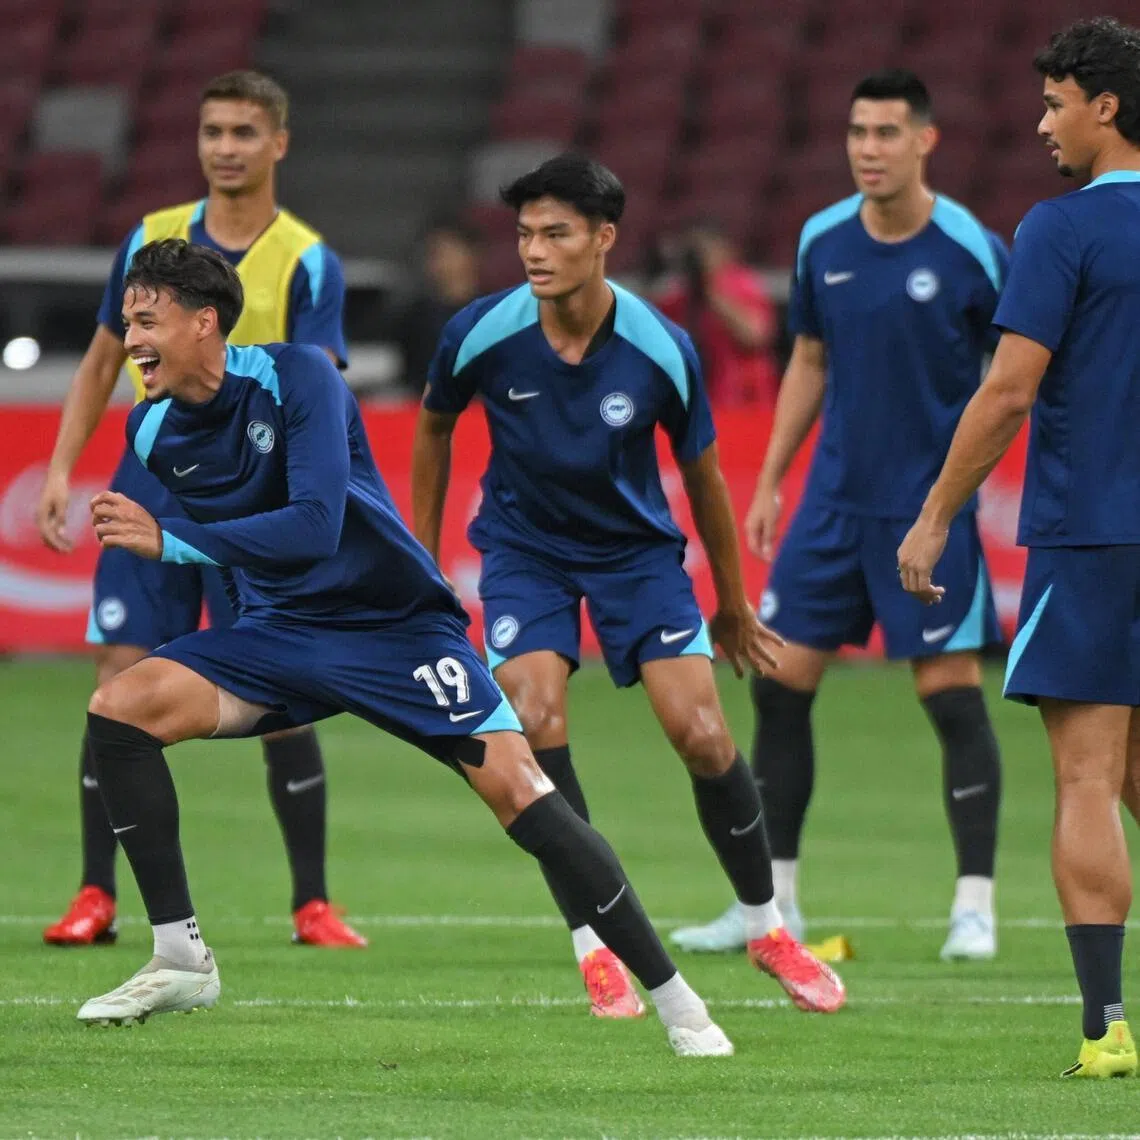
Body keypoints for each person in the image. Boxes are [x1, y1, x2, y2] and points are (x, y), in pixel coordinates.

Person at [75, 237, 734, 1059]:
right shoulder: (152, 432)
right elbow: (229, 546)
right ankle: (179, 956)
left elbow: (313, 527)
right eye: (129, 322)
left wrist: (170, 540)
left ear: (204, 322)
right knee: (120, 710)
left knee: (523, 796)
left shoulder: (298, 375)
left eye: (148, 321)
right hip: (282, 635)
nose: (131, 339)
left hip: (394, 628)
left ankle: (680, 1006)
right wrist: (206, 611)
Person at [410, 152, 845, 1019]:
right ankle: (594, 942)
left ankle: (765, 925)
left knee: (702, 732)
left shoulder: (661, 349)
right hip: (525, 550)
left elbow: (709, 478)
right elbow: (432, 433)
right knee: (532, 720)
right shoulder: (480, 333)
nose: (535, 250)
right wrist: (421, 571)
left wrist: (729, 601)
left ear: (603, 238)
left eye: (556, 234)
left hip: (635, 557)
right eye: (526, 233)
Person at [672, 70, 1007, 962]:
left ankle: (974, 906)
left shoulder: (974, 249)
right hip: (829, 506)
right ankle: (770, 909)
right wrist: (775, 478)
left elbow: (1014, 376)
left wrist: (961, 491)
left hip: (925, 511)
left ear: (925, 140)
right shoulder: (822, 238)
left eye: (887, 132)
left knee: (951, 700)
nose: (868, 148)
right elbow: (810, 359)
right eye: (857, 131)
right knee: (780, 693)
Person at [36, 70, 364, 949]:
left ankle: (312, 902)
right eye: (213, 130)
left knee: (282, 685)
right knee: (120, 678)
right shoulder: (152, 239)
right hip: (152, 485)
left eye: (245, 132)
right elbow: (108, 352)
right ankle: (95, 894)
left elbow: (321, 387)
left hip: (250, 495)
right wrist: (66, 466)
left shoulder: (305, 259)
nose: (226, 147)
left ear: (278, 143)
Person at [898, 19, 1140, 1078]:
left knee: (1087, 777)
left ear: (1106, 107)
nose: (1041, 125)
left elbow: (1007, 389)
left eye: (1053, 104)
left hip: (1093, 534)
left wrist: (937, 513)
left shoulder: (1061, 230)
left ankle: (1105, 1030)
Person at [655, 217, 780, 408]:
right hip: (702, 399)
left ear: (724, 250)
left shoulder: (743, 285)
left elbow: (756, 336)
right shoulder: (679, 296)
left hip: (744, 399)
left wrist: (712, 294)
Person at [388, 216, 483, 400]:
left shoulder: (497, 315)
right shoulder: (413, 319)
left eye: (449, 252)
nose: (440, 263)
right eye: (434, 254)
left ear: (473, 254)